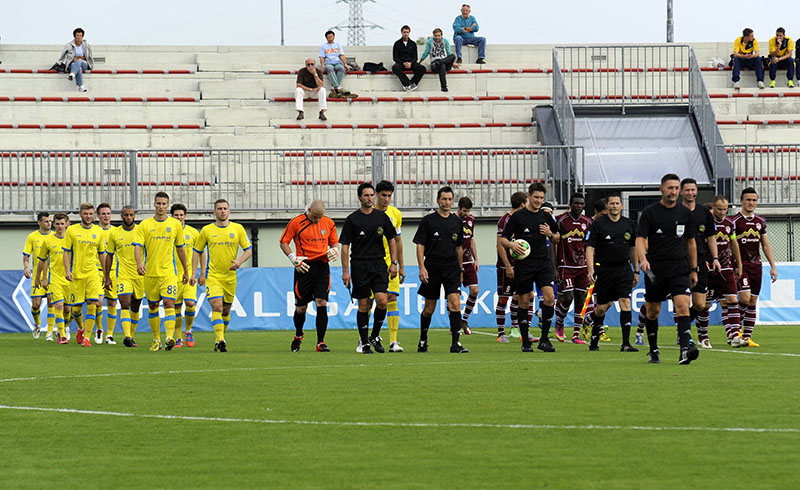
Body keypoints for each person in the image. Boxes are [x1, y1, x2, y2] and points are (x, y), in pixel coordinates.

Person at [636, 173, 699, 365]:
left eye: (676, 188)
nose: (673, 192)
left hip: (679, 268)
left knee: (682, 307)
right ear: (661, 189)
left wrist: (694, 268)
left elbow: (691, 242)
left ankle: (684, 351)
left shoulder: (685, 213)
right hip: (656, 269)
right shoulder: (650, 212)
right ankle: (654, 351)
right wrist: (643, 259)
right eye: (670, 188)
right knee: (653, 312)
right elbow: (639, 239)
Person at [500, 183, 560, 353]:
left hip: (543, 263)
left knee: (549, 298)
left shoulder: (546, 217)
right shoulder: (518, 217)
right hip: (524, 265)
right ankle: (526, 341)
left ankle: (545, 340)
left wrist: (550, 234)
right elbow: (503, 239)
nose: (539, 201)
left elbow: (557, 238)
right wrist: (512, 245)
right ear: (529, 196)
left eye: (541, 198)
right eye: (536, 197)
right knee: (524, 301)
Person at [340, 183, 398, 354]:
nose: (370, 198)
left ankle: (374, 335)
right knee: (364, 305)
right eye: (366, 195)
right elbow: (344, 246)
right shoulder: (352, 219)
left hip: (379, 264)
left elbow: (392, 239)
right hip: (360, 265)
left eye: (372, 195)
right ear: (359, 197)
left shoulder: (382, 217)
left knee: (382, 301)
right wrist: (345, 271)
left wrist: (394, 263)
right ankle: (364, 342)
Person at [414, 186, 468, 353]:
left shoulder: (457, 222)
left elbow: (459, 248)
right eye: (444, 199)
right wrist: (422, 267)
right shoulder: (428, 221)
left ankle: (455, 343)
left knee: (455, 303)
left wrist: (460, 270)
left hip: (452, 268)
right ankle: (423, 339)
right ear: (438, 200)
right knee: (429, 308)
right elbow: (420, 245)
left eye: (450, 199)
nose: (447, 202)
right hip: (432, 267)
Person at [279, 200, 339, 353]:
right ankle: (299, 334)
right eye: (315, 217)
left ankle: (321, 343)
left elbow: (334, 243)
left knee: (322, 302)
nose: (317, 220)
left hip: (322, 267)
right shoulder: (296, 222)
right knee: (301, 308)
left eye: (320, 217)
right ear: (309, 210)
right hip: (303, 267)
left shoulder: (329, 223)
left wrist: (334, 251)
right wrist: (293, 258)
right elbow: (284, 242)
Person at [193, 199, 252, 352]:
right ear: (214, 212)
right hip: (213, 276)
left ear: (229, 211)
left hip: (230, 277)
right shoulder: (206, 230)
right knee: (217, 306)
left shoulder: (238, 229)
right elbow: (196, 251)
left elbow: (248, 250)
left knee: (226, 311)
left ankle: (220, 339)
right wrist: (195, 273)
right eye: (219, 208)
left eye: (225, 208)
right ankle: (220, 338)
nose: (222, 211)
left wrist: (239, 261)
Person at [134, 192, 189, 352]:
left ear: (168, 205)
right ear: (154, 204)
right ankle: (156, 339)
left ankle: (169, 337)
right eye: (158, 203)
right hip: (150, 273)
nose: (161, 207)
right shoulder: (145, 225)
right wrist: (139, 263)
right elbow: (138, 246)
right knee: (152, 306)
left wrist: (186, 271)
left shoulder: (175, 225)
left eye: (164, 204)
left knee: (169, 303)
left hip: (168, 273)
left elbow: (180, 249)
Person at [585, 193, 639, 352]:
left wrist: (636, 270)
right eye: (612, 204)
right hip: (604, 270)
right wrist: (591, 270)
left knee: (625, 303)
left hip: (623, 269)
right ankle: (594, 340)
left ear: (621, 206)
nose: (614, 206)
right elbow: (589, 247)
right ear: (607, 206)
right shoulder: (598, 224)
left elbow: (633, 248)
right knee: (602, 307)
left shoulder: (629, 224)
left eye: (617, 203)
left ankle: (626, 343)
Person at [732, 187, 778, 347]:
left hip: (756, 265)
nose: (751, 203)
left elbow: (765, 245)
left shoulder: (760, 221)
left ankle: (746, 337)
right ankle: (735, 331)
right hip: (741, 266)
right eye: (748, 200)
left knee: (752, 301)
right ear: (741, 201)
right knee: (744, 298)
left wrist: (773, 266)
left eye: (754, 200)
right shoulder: (734, 221)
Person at [679, 179, 722, 342]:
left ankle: (682, 328)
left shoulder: (704, 213)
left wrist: (716, 258)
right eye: (687, 190)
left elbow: (711, 237)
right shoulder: (676, 211)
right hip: (680, 261)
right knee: (680, 302)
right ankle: (684, 333)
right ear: (682, 192)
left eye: (693, 190)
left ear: (696, 192)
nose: (690, 193)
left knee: (700, 304)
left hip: (701, 261)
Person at [702, 195, 744, 348]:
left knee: (733, 300)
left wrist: (738, 264)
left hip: (727, 268)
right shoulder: (706, 223)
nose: (722, 212)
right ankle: (704, 336)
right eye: (719, 209)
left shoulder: (730, 223)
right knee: (704, 305)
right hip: (708, 269)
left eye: (725, 209)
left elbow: (733, 244)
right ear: (713, 207)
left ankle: (735, 335)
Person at [63, 203, 105, 347]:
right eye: (86, 214)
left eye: (91, 214)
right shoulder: (72, 230)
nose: (88, 216)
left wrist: (105, 274)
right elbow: (66, 251)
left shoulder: (99, 231)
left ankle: (87, 338)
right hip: (76, 275)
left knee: (93, 303)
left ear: (94, 215)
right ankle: (81, 327)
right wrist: (67, 270)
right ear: (80, 214)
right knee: (76, 310)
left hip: (93, 274)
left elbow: (102, 254)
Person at [553, 193, 592, 344]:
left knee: (581, 299)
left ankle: (576, 335)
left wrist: (592, 267)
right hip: (565, 265)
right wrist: (554, 267)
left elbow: (591, 246)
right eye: (576, 203)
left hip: (582, 267)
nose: (579, 206)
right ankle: (559, 322)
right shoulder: (560, 220)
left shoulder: (588, 222)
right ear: (570, 204)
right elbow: (553, 243)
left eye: (582, 204)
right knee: (568, 297)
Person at [104, 206, 143, 348]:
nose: (128, 217)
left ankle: (131, 335)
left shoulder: (141, 231)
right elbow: (109, 255)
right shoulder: (114, 233)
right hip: (123, 275)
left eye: (131, 215)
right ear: (121, 216)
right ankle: (127, 337)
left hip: (140, 275)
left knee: (136, 306)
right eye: (126, 215)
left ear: (134, 216)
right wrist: (107, 276)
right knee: (125, 304)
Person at [374, 180, 406, 352]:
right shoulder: (368, 213)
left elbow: (398, 241)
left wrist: (401, 265)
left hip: (390, 263)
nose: (386, 199)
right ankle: (365, 338)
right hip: (371, 263)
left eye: (389, 196)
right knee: (370, 301)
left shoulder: (395, 214)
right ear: (376, 195)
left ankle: (393, 341)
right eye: (383, 195)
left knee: (391, 298)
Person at [495, 191, 527, 343]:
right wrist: (508, 266)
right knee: (503, 299)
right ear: (522, 204)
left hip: (521, 266)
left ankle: (521, 331)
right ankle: (501, 334)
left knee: (526, 296)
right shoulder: (505, 220)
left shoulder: (522, 219)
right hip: (505, 267)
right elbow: (500, 245)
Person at [171, 204, 204, 348]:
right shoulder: (168, 231)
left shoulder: (193, 232)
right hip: (172, 275)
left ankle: (188, 330)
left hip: (189, 275)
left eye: (181, 215)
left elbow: (201, 252)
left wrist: (201, 272)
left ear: (185, 216)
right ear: (172, 216)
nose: (179, 217)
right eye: (176, 215)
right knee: (176, 307)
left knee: (190, 304)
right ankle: (178, 338)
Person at [34, 213, 69, 343]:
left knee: (69, 310)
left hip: (71, 279)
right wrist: (39, 278)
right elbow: (42, 261)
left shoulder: (72, 239)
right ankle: (61, 335)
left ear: (67, 224)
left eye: (62, 224)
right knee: (58, 306)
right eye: (57, 224)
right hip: (54, 279)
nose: (60, 227)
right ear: (54, 225)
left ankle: (66, 327)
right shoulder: (48, 241)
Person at [22, 212, 52, 340]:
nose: (49, 223)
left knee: (52, 302)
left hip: (54, 276)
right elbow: (26, 254)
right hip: (38, 276)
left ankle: (50, 332)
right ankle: (38, 324)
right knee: (36, 305)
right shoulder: (32, 237)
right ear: (39, 222)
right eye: (46, 221)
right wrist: (26, 267)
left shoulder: (55, 236)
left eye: (50, 221)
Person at [456, 197, 479, 335]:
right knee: (455, 295)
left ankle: (464, 320)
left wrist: (476, 259)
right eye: (464, 211)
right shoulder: (452, 220)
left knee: (475, 291)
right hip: (454, 262)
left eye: (468, 211)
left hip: (468, 261)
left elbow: (472, 239)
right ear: (458, 207)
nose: (466, 213)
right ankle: (456, 324)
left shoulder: (471, 220)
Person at [95, 203, 114, 344]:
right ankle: (100, 329)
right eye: (103, 214)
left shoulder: (116, 232)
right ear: (98, 216)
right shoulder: (94, 231)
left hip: (113, 272)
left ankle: (110, 335)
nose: (106, 216)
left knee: (113, 302)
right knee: (98, 303)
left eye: (108, 213)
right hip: (96, 271)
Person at [55, 27, 94, 92]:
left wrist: (79, 58)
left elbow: (89, 57)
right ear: (74, 36)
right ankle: (81, 86)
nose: (79, 37)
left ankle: (73, 74)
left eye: (80, 36)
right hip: (73, 64)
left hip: (85, 64)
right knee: (79, 68)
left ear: (82, 36)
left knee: (79, 61)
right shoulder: (69, 45)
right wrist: (60, 62)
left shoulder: (86, 45)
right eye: (77, 35)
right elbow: (63, 55)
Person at [319, 30, 354, 99]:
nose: (330, 38)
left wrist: (345, 64)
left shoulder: (338, 45)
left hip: (337, 62)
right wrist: (323, 64)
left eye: (331, 36)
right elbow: (322, 57)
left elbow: (342, 55)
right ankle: (337, 86)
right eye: (328, 37)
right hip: (328, 63)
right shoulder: (324, 46)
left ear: (334, 37)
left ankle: (334, 86)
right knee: (329, 68)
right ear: (326, 38)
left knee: (341, 68)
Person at [392, 25, 426, 92]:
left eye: (407, 32)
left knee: (422, 68)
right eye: (404, 32)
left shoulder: (413, 44)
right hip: (401, 64)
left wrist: (410, 63)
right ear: (401, 32)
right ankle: (407, 84)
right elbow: (395, 57)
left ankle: (412, 84)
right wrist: (403, 63)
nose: (406, 34)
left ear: (409, 32)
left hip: (411, 63)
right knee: (395, 67)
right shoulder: (397, 43)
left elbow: (415, 57)